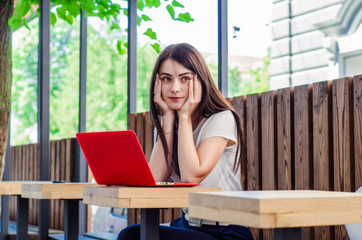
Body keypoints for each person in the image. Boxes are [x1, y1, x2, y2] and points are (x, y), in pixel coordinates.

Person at [117, 43, 253, 240]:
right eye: (166, 79)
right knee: (133, 234)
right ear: (157, 84)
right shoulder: (168, 122)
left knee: (132, 236)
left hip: (227, 231)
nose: (174, 88)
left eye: (185, 79)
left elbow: (191, 178)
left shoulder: (221, 118)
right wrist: (169, 121)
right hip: (189, 224)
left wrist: (185, 117)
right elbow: (153, 181)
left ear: (200, 81)